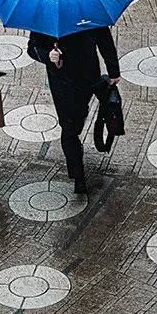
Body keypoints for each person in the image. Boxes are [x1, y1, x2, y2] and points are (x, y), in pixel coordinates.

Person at [26, 27, 121, 194]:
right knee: (69, 127)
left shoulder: (89, 10)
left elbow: (104, 40)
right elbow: (32, 48)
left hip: (89, 76)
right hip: (62, 82)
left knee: (80, 115)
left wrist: (113, 71)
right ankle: (78, 176)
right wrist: (48, 55)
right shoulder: (48, 16)